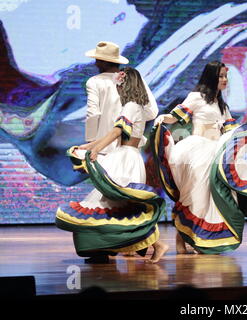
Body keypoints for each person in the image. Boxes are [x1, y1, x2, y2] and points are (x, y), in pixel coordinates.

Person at [151, 61, 247, 254]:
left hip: (215, 153)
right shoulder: (196, 97)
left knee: (209, 199)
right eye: (221, 76)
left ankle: (202, 240)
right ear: (211, 77)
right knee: (192, 196)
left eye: (226, 76)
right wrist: (163, 118)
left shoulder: (221, 104)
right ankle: (180, 241)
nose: (225, 80)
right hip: (197, 151)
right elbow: (175, 116)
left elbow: (232, 132)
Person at [55, 67, 168, 263]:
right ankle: (107, 249)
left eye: (118, 85)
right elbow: (114, 134)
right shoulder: (136, 106)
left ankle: (155, 244)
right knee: (122, 206)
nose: (117, 90)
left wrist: (95, 149)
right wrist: (89, 146)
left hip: (125, 159)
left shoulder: (131, 106)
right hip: (127, 156)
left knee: (111, 203)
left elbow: (116, 132)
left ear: (125, 84)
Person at [84, 41, 158, 154]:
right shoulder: (135, 80)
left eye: (97, 60)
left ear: (103, 62)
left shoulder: (94, 81)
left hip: (102, 149)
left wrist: (91, 142)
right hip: (130, 148)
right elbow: (152, 111)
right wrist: (133, 122)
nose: (95, 64)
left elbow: (93, 114)